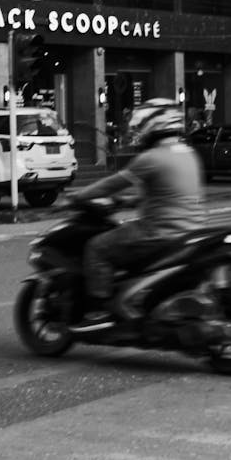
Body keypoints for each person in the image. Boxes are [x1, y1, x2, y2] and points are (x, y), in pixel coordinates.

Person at [70, 98, 205, 333]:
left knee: (96, 248)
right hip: (190, 232)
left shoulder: (152, 158)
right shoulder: (188, 154)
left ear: (152, 126)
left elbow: (112, 183)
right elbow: (165, 193)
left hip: (157, 232)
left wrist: (79, 196)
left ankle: (99, 311)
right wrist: (126, 202)